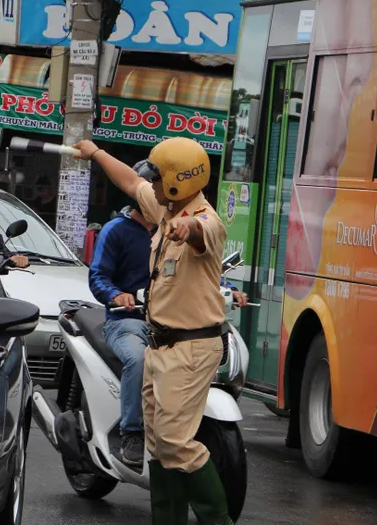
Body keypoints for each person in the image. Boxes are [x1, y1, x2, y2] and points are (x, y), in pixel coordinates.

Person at [73, 136, 235, 525]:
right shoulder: (165, 208)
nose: (153, 185)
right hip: (159, 345)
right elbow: (131, 182)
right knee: (160, 446)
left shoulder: (205, 221)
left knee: (177, 443)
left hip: (191, 348)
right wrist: (95, 153)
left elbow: (201, 230)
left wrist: (187, 227)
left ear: (178, 183)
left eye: (159, 179)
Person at [87, 161, 159, 468]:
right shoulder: (115, 230)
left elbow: (201, 268)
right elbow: (97, 275)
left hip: (169, 322)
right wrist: (116, 294)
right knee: (139, 359)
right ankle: (131, 432)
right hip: (126, 322)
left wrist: (227, 287)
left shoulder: (171, 230)